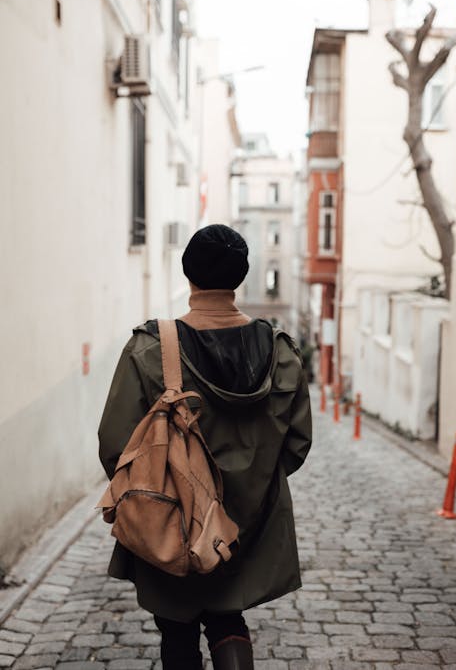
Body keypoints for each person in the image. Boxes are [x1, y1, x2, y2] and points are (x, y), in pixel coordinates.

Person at [98, 224, 312, 670]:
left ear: (187, 272)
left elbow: (115, 444)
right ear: (241, 276)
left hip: (172, 515)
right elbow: (297, 443)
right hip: (248, 522)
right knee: (227, 615)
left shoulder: (150, 348)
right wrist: (250, 485)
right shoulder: (280, 352)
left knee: (176, 628)